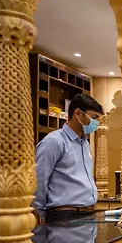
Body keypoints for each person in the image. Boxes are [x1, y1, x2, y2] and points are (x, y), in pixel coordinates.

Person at [33, 94, 104, 224]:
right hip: (64, 215)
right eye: (94, 117)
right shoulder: (54, 142)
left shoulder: (85, 143)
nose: (96, 123)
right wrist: (42, 215)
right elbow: (39, 181)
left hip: (88, 213)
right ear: (78, 113)